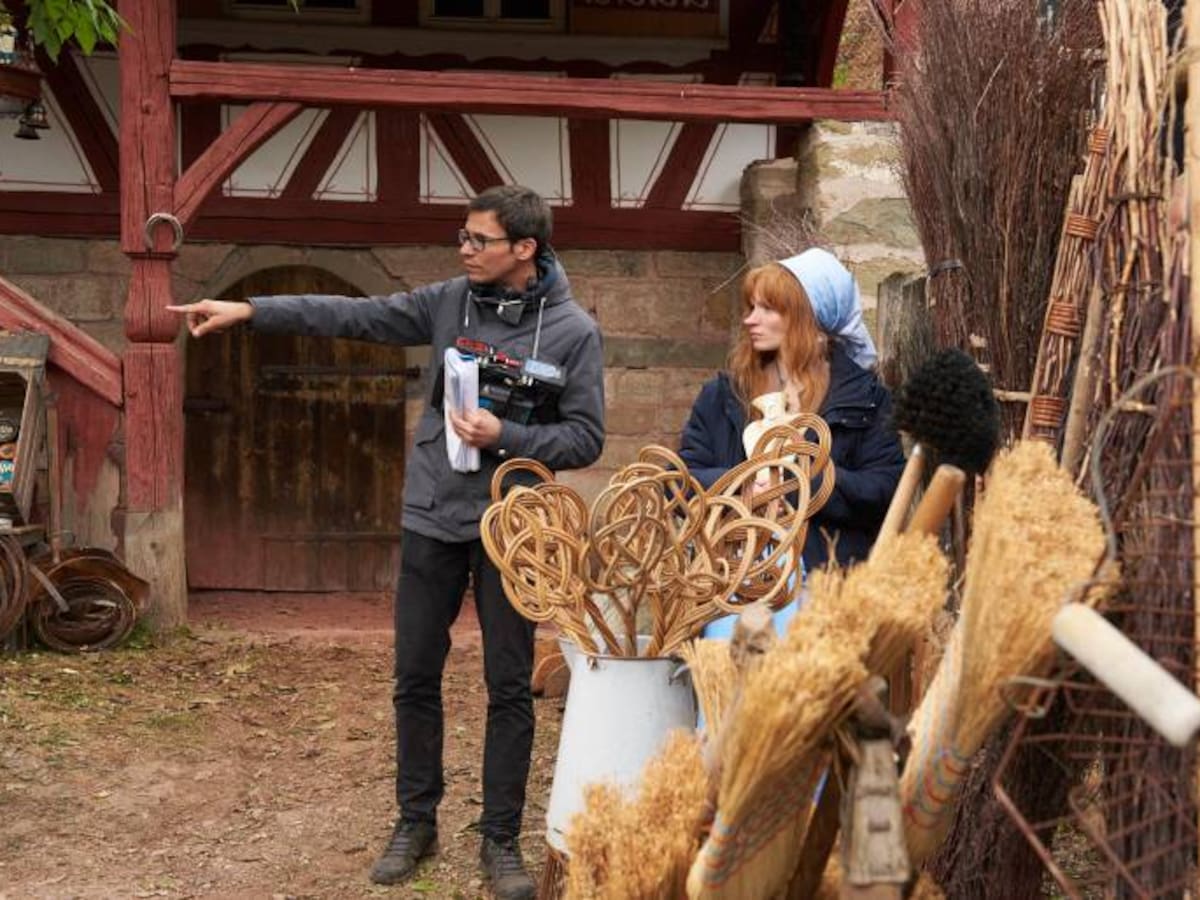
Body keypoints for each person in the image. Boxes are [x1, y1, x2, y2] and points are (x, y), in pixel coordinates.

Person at [168, 185, 605, 900]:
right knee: (414, 676)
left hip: (510, 528)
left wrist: (510, 436)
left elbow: (585, 435)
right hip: (431, 515)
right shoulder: (446, 303)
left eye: (478, 240)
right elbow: (355, 315)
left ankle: (499, 839)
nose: (463, 249)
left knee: (507, 686)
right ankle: (415, 821)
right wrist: (250, 310)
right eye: (461, 236)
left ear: (524, 249)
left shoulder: (572, 332)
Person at [678, 247, 904, 571]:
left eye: (768, 309)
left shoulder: (865, 399)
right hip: (729, 579)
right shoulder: (723, 395)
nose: (750, 319)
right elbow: (680, 483)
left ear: (807, 317)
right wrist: (743, 484)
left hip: (825, 583)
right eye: (752, 306)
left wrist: (799, 483)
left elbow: (884, 490)